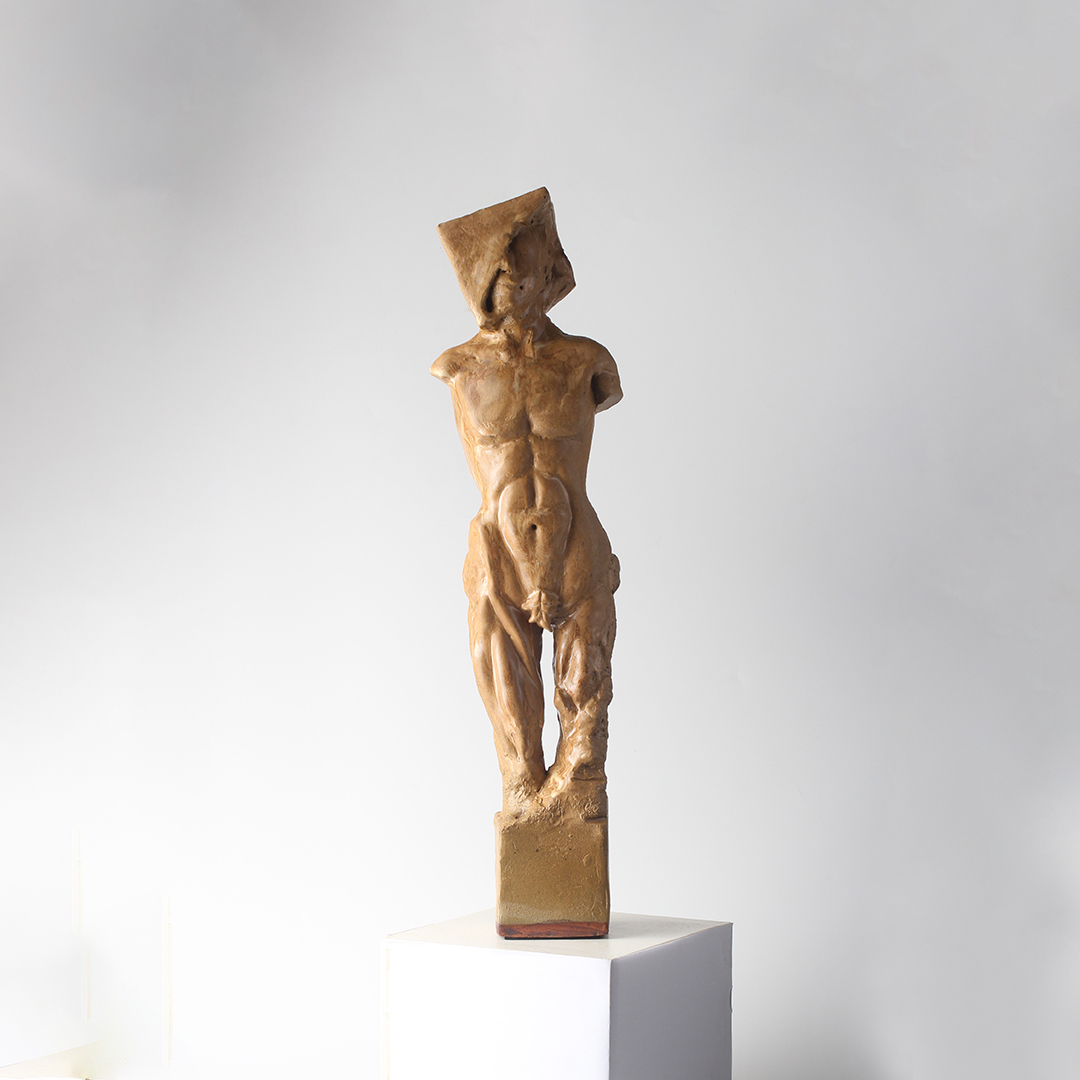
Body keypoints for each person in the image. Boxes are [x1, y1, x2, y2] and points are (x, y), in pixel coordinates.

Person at [433, 188, 622, 825]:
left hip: (576, 539)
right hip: (498, 546)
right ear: (483, 281)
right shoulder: (459, 366)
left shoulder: (586, 361)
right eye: (502, 264)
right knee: (511, 724)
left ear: (551, 270)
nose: (516, 275)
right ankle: (524, 797)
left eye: (528, 259)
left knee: (586, 711)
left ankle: (575, 789)